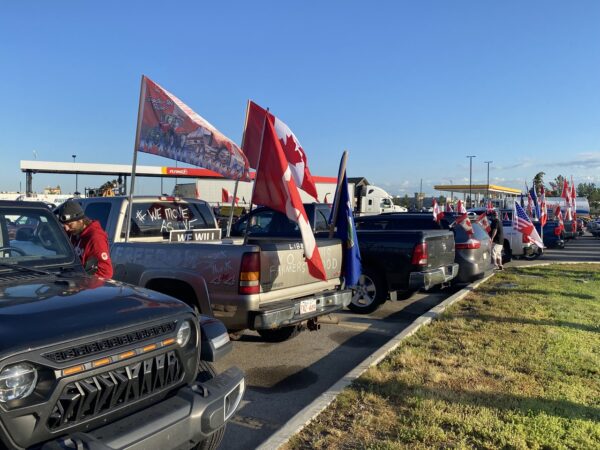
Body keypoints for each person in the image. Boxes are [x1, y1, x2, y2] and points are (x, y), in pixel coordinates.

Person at [56, 199, 113, 278]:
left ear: (80, 220)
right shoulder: (74, 233)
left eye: (69, 224)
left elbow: (106, 272)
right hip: (71, 282)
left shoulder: (95, 238)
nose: (66, 228)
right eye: (64, 225)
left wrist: (81, 279)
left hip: (85, 287)